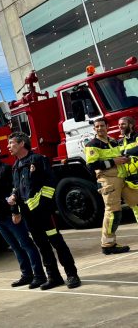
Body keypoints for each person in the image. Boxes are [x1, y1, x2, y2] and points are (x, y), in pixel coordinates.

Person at [7, 132, 81, 289]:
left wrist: (44, 207)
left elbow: (50, 184)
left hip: (45, 214)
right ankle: (54, 277)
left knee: (57, 243)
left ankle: (72, 275)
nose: (9, 146)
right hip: (29, 216)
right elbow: (17, 189)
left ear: (21, 144)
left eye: (11, 143)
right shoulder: (16, 166)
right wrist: (14, 206)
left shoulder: (38, 160)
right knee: (42, 245)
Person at [0, 143, 46, 289]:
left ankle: (39, 275)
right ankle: (27, 275)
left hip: (11, 216)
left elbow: (14, 192)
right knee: (15, 247)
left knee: (26, 245)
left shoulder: (5, 169)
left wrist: (15, 211)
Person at [85, 118, 136, 253]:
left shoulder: (113, 141)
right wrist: (113, 161)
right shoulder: (92, 144)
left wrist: (125, 160)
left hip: (122, 178)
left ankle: (109, 243)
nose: (100, 128)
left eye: (102, 126)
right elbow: (91, 166)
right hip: (108, 181)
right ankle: (108, 245)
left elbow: (119, 156)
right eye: (97, 127)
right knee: (113, 212)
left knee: (136, 202)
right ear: (94, 129)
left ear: (107, 126)